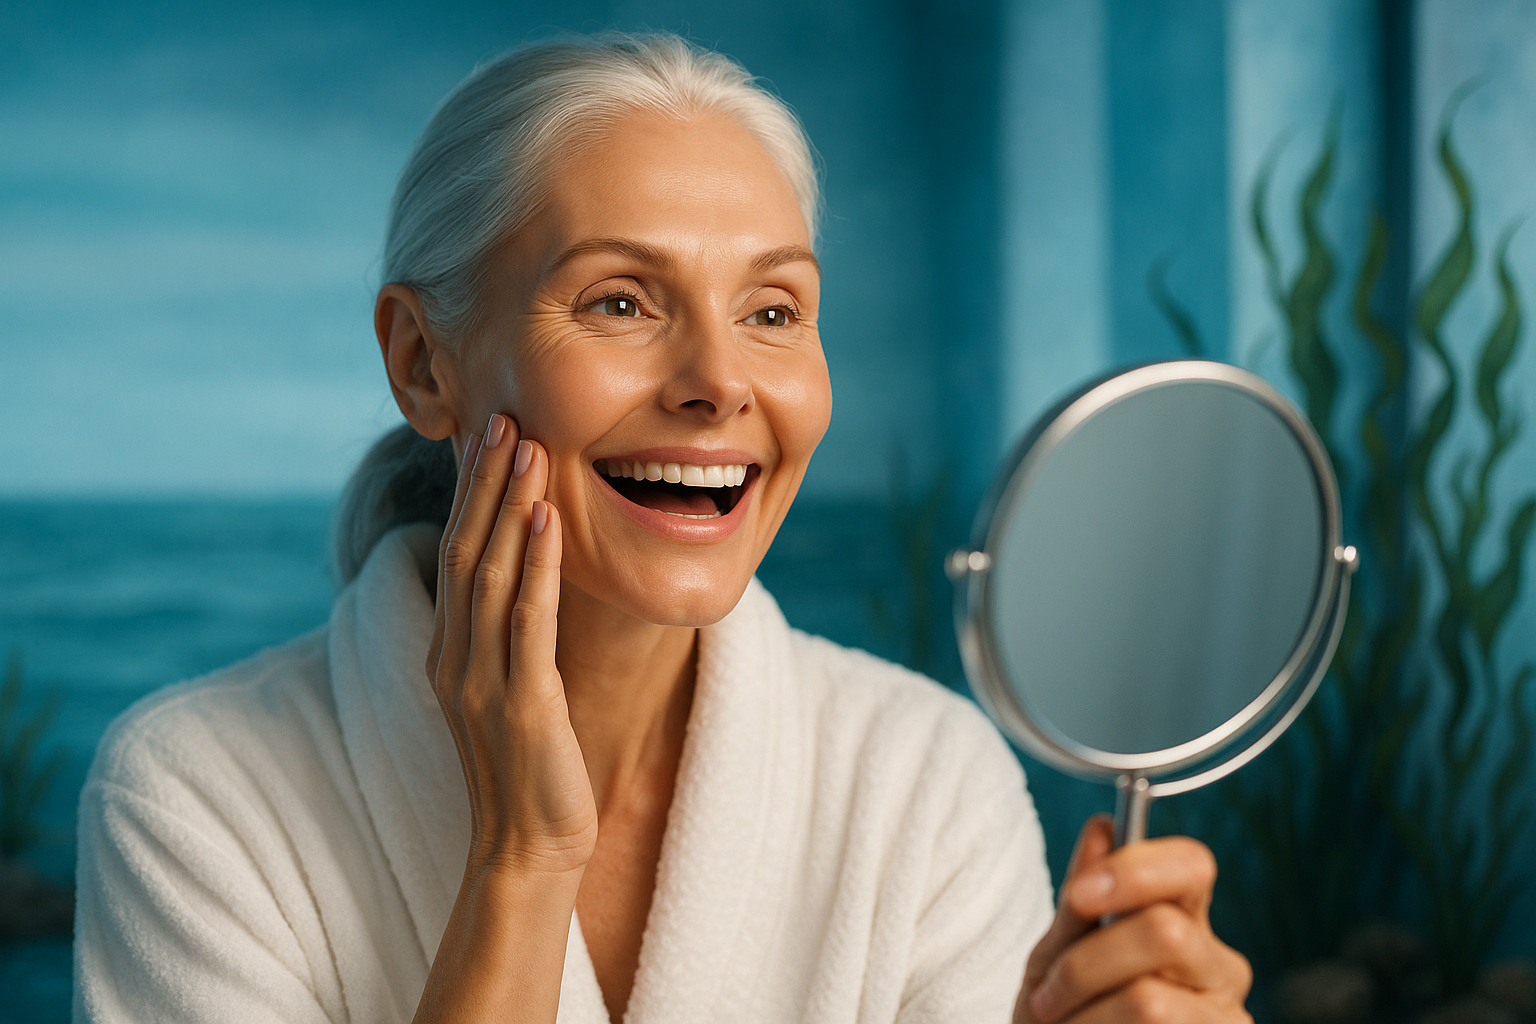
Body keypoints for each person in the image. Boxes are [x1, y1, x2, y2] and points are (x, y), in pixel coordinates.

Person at [74, 33, 1253, 1024]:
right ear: (422, 362)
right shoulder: (195, 799)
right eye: (621, 302)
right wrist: (520, 866)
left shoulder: (923, 784)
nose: (718, 380)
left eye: (774, 309)